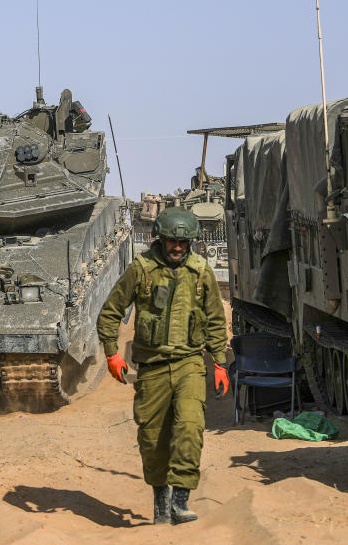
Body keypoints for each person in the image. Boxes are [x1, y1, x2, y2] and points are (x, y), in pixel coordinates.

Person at [97, 207, 228, 525]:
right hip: (152, 367)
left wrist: (220, 363)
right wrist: (112, 353)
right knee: (153, 438)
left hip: (189, 364)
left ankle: (181, 501)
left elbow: (215, 319)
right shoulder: (141, 269)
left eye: (184, 243)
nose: (178, 248)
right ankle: (161, 503)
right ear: (161, 238)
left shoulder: (200, 271)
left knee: (190, 428)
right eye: (172, 241)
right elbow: (110, 312)